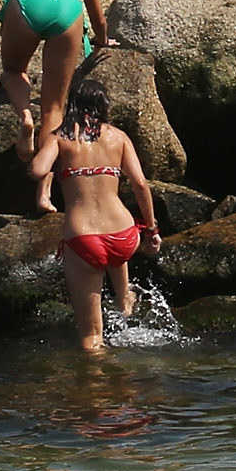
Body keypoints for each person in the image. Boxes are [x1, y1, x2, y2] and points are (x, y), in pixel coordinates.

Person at [0, 0, 108, 209]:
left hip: (27, 3)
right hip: (68, 9)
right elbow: (96, 12)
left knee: (12, 69)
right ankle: (44, 194)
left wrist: (11, 43)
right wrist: (101, 40)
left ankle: (24, 117)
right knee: (55, 109)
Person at [40, 77, 157, 355]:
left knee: (91, 337)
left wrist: (39, 144)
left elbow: (37, 169)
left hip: (85, 238)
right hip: (125, 236)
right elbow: (141, 185)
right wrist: (152, 230)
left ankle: (99, 394)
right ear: (104, 106)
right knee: (112, 250)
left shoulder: (60, 138)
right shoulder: (119, 137)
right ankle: (124, 298)